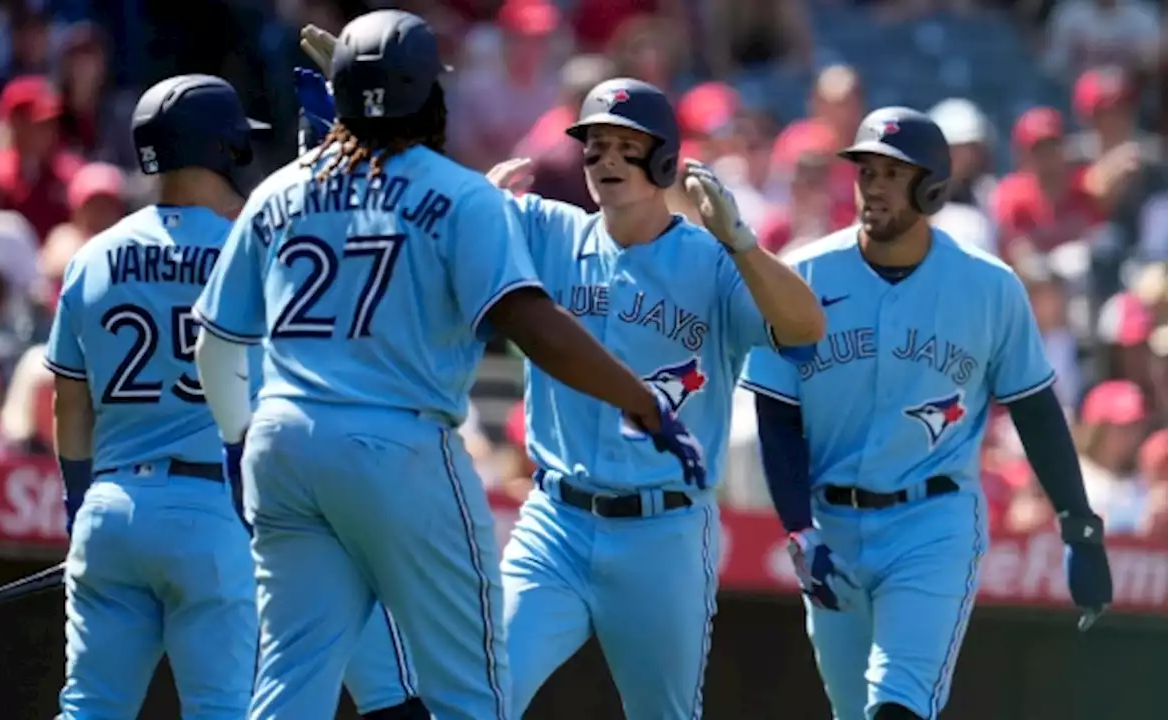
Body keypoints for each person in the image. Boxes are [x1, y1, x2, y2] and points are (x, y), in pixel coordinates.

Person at [192, 11, 704, 720]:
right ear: (432, 96)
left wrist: (235, 445)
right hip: (397, 448)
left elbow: (215, 342)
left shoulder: (283, 188)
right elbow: (530, 323)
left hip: (281, 443)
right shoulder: (462, 193)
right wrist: (640, 401)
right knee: (469, 693)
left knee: (290, 682)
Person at [43, 72, 422, 720]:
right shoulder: (255, 247)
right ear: (226, 149)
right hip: (214, 514)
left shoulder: (93, 255)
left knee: (88, 710)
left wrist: (81, 502)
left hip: (110, 509)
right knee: (222, 709)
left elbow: (69, 404)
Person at [741, 107, 1114, 720]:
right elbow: (776, 411)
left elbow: (1035, 408)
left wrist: (1080, 525)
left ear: (933, 188)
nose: (875, 187)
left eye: (894, 174)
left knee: (898, 705)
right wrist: (797, 526)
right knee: (855, 710)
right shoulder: (803, 273)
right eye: (868, 171)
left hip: (932, 522)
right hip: (832, 520)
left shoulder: (989, 286)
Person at [480, 78, 825, 718]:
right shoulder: (551, 230)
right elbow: (440, 225)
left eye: (625, 145)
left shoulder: (714, 260)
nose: (607, 159)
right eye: (596, 145)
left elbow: (806, 327)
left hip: (662, 531)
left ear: (664, 159)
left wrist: (743, 242)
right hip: (555, 521)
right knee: (479, 694)